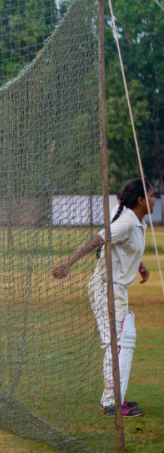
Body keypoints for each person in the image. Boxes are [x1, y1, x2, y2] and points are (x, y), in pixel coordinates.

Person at [52, 178, 155, 418]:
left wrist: (139, 266)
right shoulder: (127, 221)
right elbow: (99, 239)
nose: (154, 200)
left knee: (121, 340)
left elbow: (124, 248)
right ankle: (112, 403)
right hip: (105, 287)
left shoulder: (139, 223)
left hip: (116, 289)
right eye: (151, 196)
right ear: (140, 200)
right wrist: (68, 262)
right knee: (117, 342)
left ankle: (115, 397)